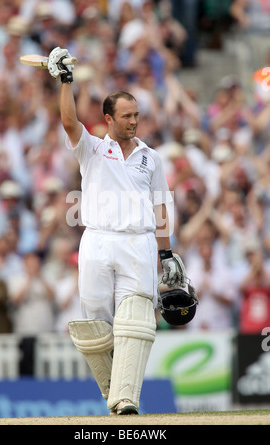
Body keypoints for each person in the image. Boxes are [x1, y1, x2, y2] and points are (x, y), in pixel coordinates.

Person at [47, 46, 189, 416]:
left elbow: (161, 207)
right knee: (93, 322)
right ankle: (113, 389)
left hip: (138, 243)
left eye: (136, 115)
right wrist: (66, 81)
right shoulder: (92, 149)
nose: (133, 122)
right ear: (108, 119)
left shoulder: (150, 157)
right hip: (96, 239)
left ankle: (126, 398)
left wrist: (166, 253)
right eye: (126, 116)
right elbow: (67, 121)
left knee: (137, 317)